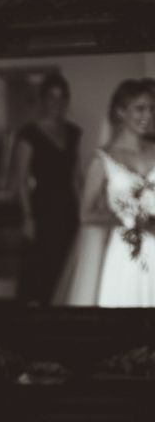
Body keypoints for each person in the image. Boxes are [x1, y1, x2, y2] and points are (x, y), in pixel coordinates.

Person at [54, 78, 155, 307]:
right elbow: (86, 214)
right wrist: (131, 219)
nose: (147, 115)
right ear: (120, 112)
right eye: (140, 108)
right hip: (126, 255)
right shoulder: (102, 160)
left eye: (152, 108)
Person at [15, 73, 82, 305]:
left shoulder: (73, 133)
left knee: (68, 265)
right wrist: (28, 217)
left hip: (68, 207)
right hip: (42, 208)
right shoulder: (28, 134)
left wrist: (83, 211)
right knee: (42, 269)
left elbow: (75, 177)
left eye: (62, 97)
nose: (57, 103)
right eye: (52, 97)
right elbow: (21, 179)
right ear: (43, 100)